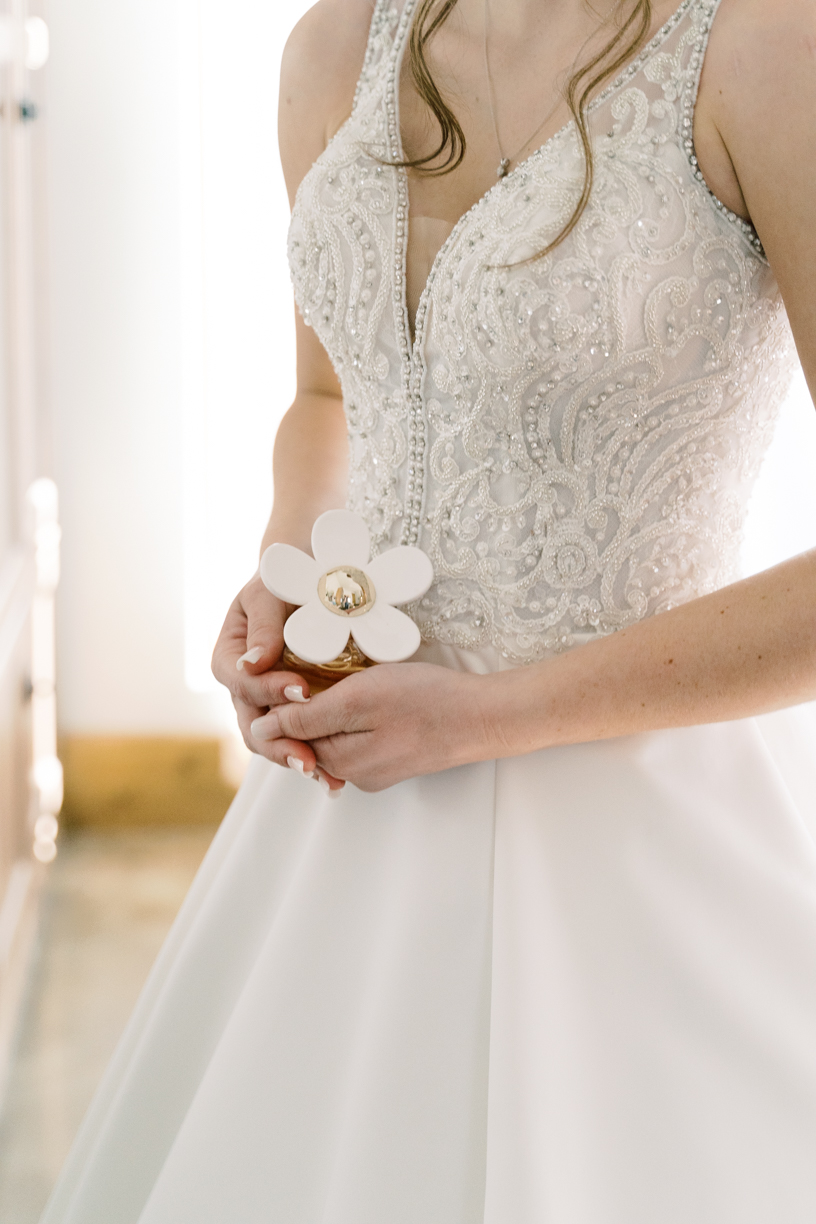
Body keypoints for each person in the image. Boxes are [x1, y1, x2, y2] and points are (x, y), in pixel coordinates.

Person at [42, 0, 816, 1220]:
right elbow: (324, 398)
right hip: (354, 805)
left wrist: (486, 718)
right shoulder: (332, 50)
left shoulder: (767, 50)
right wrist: (295, 572)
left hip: (654, 834)